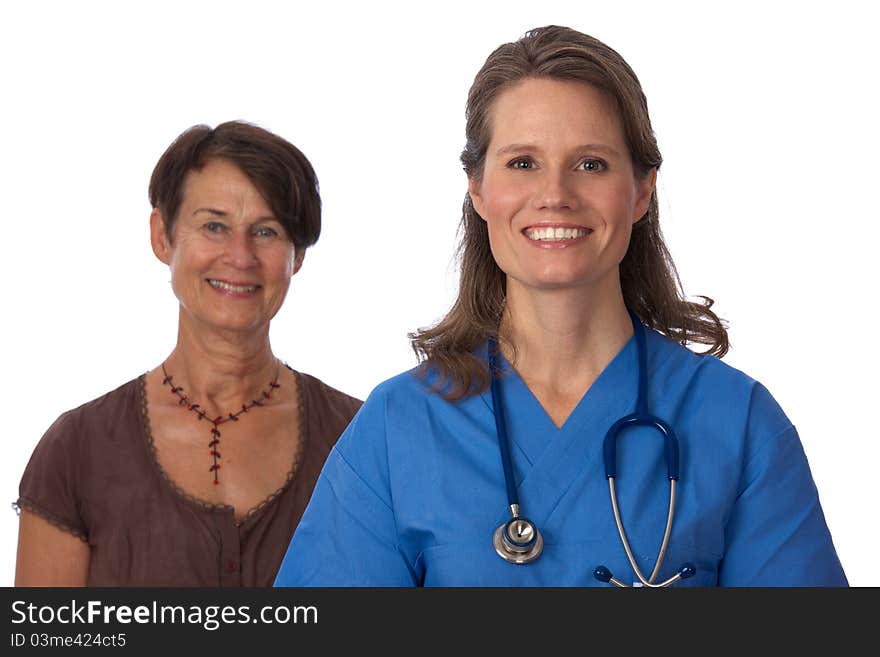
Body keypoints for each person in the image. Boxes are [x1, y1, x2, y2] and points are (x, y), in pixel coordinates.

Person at [274, 26, 847, 587]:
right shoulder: (399, 426)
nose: (555, 194)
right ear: (477, 189)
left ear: (642, 190)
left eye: (591, 163)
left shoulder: (738, 422)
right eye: (522, 162)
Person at [15, 121, 362, 586]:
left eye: (266, 231)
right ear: (163, 236)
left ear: (296, 256)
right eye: (214, 226)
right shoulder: (77, 450)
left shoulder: (360, 441)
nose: (239, 257)